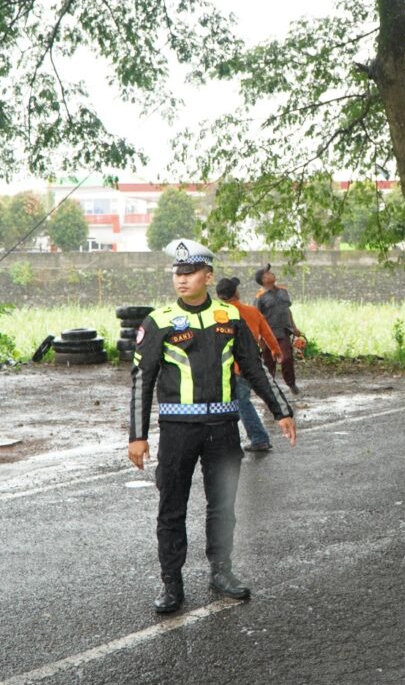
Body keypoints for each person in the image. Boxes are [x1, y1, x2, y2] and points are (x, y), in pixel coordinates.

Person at [129, 240, 296, 614]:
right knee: (172, 508)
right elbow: (142, 379)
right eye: (177, 273)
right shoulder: (158, 321)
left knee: (223, 506)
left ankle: (221, 572)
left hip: (222, 427)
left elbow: (254, 368)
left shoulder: (231, 317)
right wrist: (137, 437)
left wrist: (281, 410)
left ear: (208, 276)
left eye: (189, 273)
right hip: (178, 429)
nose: (182, 279)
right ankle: (172, 585)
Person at [216, 276, 282, 453]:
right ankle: (253, 439)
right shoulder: (251, 311)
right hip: (250, 363)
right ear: (235, 293)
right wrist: (276, 351)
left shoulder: (216, 314)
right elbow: (267, 333)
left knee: (236, 403)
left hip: (229, 366)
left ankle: (258, 438)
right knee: (241, 402)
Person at [253, 263, 304, 395]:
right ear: (263, 280)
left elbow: (288, 310)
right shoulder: (259, 297)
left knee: (287, 358)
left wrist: (294, 326)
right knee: (269, 363)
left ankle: (291, 383)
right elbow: (256, 318)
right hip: (268, 335)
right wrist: (259, 338)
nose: (272, 274)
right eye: (268, 273)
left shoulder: (283, 290)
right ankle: (269, 388)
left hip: (284, 331)